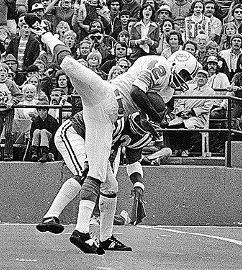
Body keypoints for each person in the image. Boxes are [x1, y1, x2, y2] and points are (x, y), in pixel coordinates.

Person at [24, 13, 197, 254]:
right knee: (71, 66)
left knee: (99, 177)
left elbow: (137, 144)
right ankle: (43, 31)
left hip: (106, 117)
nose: (184, 80)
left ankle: (83, 232)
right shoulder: (161, 65)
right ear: (177, 62)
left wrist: (155, 120)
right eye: (186, 74)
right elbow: (137, 93)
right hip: (106, 96)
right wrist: (158, 117)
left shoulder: (163, 97)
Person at [35, 111, 157, 250]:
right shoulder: (115, 120)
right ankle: (56, 219)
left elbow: (133, 160)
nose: (138, 135)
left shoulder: (139, 133)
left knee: (110, 186)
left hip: (96, 141)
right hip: (75, 133)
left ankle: (106, 239)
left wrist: (138, 184)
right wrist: (90, 161)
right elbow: (96, 140)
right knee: (87, 173)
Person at [0, 62, 23, 161]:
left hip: (8, 110)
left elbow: (18, 95)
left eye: (4, 71)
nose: (2, 73)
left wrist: (12, 102)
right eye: (0, 71)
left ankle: (8, 154)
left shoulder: (10, 83)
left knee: (8, 132)